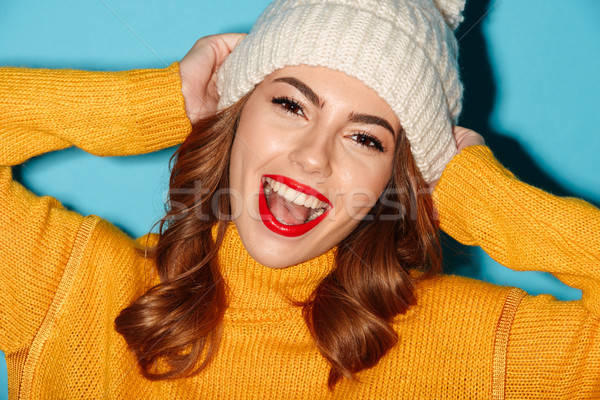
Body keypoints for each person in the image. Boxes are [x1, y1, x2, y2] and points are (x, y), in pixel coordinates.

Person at [1, 0, 599, 398]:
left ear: (398, 178)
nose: (315, 156)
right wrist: (160, 101)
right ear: (234, 113)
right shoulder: (68, 286)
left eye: (366, 137)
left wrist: (482, 196)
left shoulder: (471, 344)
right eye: (290, 105)